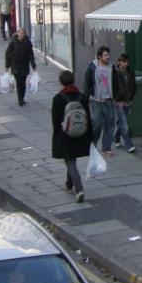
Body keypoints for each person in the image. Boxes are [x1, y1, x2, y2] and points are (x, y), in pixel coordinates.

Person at [51, 70, 92, 203]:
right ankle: (69, 184)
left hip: (65, 135)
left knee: (70, 161)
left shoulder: (58, 99)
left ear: (61, 82)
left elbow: (56, 121)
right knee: (71, 159)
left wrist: (57, 135)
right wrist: (90, 136)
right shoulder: (83, 97)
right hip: (81, 134)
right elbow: (88, 118)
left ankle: (79, 189)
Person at [83, 46, 116, 157]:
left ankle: (106, 148)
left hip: (109, 100)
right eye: (105, 55)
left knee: (110, 124)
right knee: (97, 124)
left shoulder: (112, 67)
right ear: (99, 56)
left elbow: (117, 83)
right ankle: (93, 144)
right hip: (96, 100)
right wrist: (85, 100)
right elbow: (87, 84)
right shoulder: (92, 67)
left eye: (108, 55)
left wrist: (118, 98)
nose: (108, 57)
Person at [112, 53, 137, 154]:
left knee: (122, 123)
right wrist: (118, 101)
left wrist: (132, 96)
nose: (126, 64)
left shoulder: (131, 72)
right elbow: (115, 89)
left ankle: (116, 137)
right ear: (119, 62)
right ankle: (129, 145)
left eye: (127, 62)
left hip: (128, 101)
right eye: (123, 62)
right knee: (125, 125)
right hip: (120, 103)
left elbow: (133, 85)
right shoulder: (115, 74)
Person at [4, 28, 36, 106]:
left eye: (23, 33)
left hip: (24, 65)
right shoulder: (13, 42)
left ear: (24, 34)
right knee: (19, 82)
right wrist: (7, 66)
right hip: (16, 65)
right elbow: (7, 54)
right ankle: (20, 99)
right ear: (17, 33)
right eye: (20, 33)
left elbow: (30, 54)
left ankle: (22, 97)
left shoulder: (27, 42)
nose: (22, 34)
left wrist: (33, 64)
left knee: (23, 82)